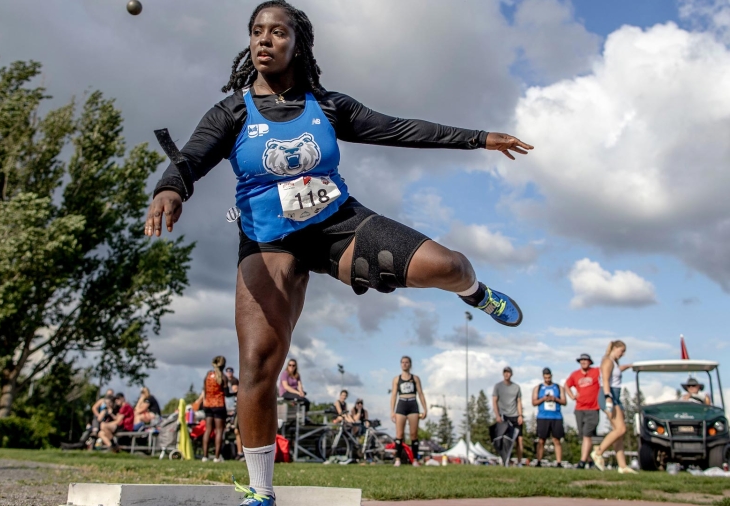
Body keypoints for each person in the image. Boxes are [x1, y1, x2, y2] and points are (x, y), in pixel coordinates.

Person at [144, 2, 532, 503]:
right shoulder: (232, 111)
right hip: (268, 241)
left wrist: (479, 138)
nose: (264, 40)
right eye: (257, 32)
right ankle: (261, 492)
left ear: (296, 44)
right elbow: (192, 156)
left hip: (339, 225)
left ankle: (477, 295)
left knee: (451, 265)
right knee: (259, 362)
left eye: (277, 32)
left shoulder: (326, 106)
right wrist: (170, 188)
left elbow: (400, 128)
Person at [590, 340, 636, 473]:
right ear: (615, 348)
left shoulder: (614, 363)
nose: (623, 354)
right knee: (621, 429)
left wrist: (629, 366)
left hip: (615, 395)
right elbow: (605, 379)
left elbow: (617, 371)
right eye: (622, 351)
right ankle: (598, 451)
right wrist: (607, 396)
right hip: (608, 395)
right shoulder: (607, 360)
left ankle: (622, 466)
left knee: (618, 432)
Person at [389, 356, 427, 467]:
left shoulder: (415, 378)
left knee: (413, 434)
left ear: (410, 364)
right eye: (403, 362)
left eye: (407, 362)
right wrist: (392, 411)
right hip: (401, 405)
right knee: (399, 434)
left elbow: (420, 393)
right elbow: (393, 395)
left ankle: (415, 459)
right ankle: (398, 459)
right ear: (400, 364)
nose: (405, 364)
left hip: (412, 404)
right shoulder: (397, 379)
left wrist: (425, 409)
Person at [565, 353, 599, 469]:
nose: (583, 362)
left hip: (593, 408)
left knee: (587, 435)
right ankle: (590, 462)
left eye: (585, 360)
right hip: (579, 408)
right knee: (583, 436)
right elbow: (566, 385)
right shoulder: (575, 374)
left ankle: (582, 462)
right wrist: (572, 396)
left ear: (590, 362)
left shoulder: (596, 371)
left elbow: (608, 369)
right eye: (581, 360)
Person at [532, 367, 566, 467]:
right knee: (541, 439)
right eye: (545, 378)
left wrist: (554, 399)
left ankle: (559, 462)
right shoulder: (538, 388)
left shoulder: (558, 387)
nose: (547, 379)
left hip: (556, 416)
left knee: (556, 440)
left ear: (551, 376)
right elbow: (534, 402)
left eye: (549, 377)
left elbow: (564, 401)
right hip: (543, 416)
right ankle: (539, 461)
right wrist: (543, 399)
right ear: (543, 377)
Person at [493, 366, 524, 465]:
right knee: (506, 441)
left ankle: (519, 462)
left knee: (519, 440)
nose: (507, 374)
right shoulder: (498, 386)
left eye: (508, 372)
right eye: (505, 372)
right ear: (503, 374)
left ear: (511, 374)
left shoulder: (516, 387)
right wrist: (497, 415)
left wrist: (520, 415)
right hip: (504, 416)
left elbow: (518, 401)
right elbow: (494, 401)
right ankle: (505, 460)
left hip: (515, 415)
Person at [203, 356, 229, 463]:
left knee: (208, 430)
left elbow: (205, 390)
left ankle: (205, 456)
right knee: (219, 431)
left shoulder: (208, 375)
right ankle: (217, 457)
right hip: (218, 405)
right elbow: (227, 393)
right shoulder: (223, 377)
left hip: (208, 404)